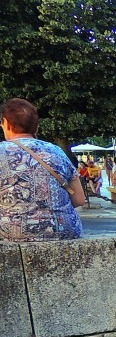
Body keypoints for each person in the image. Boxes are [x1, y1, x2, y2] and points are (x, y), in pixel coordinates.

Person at [0, 97, 85, 241]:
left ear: (6, 124)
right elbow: (79, 199)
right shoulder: (56, 151)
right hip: (64, 231)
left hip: (12, 233)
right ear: (36, 127)